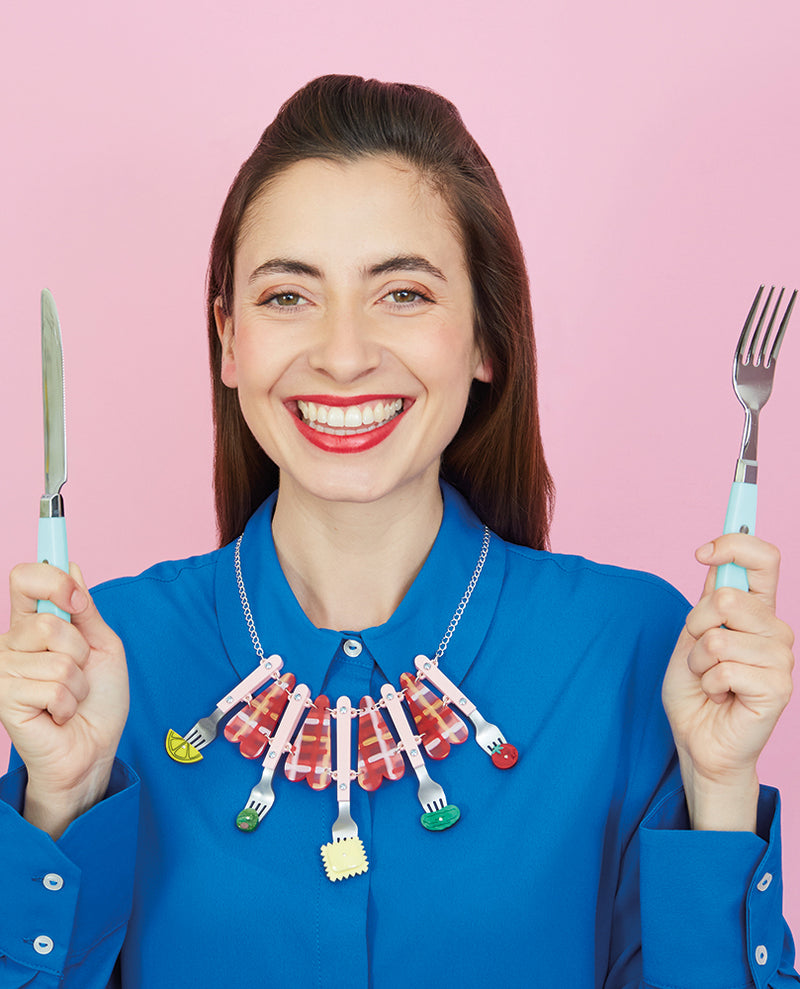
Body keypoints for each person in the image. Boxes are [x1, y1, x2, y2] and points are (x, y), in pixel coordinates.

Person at [0, 74, 796, 988]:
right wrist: (59, 804)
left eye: (404, 294)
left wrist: (721, 791)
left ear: (486, 339)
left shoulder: (636, 651)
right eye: (287, 297)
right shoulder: (105, 657)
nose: (342, 354)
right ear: (228, 340)